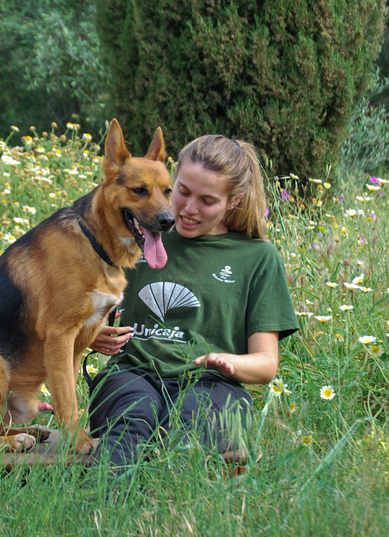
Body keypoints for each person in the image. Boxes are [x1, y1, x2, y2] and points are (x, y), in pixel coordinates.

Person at [87, 134, 299, 475]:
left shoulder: (258, 258)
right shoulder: (135, 234)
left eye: (207, 200)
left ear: (234, 201)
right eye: (182, 191)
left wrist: (227, 361)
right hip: (132, 373)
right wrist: (93, 333)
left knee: (194, 424)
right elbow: (90, 317)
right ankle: (101, 516)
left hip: (213, 384)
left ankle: (180, 513)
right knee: (133, 419)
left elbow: (266, 364)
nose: (188, 208)